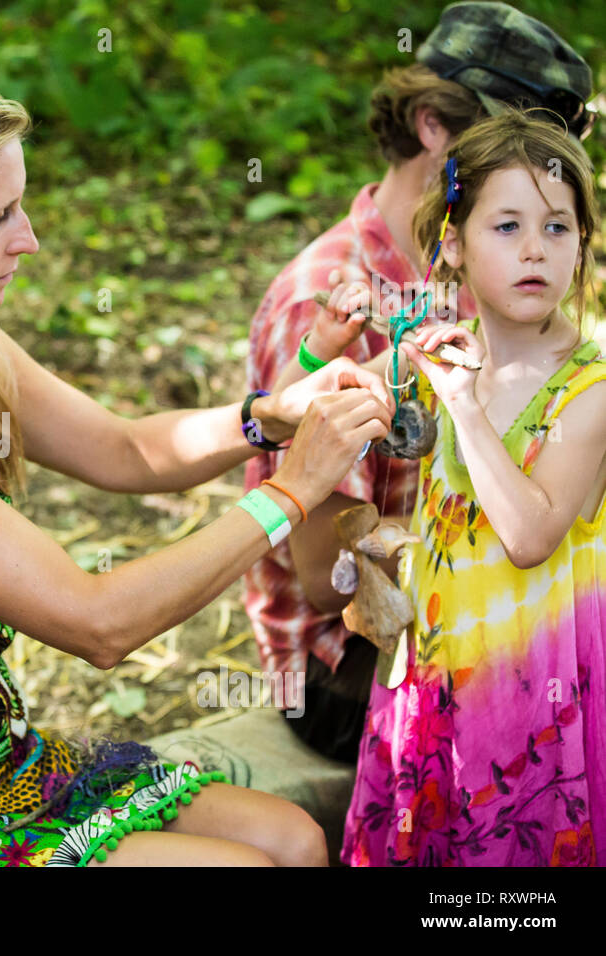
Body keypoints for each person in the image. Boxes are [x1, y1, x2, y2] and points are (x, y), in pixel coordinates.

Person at [0, 67, 395, 867]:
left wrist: (267, 413)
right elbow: (97, 624)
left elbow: (127, 450)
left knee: (296, 841)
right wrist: (295, 489)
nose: (29, 239)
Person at [242, 1, 593, 763]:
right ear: (433, 125)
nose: (530, 174)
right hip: (349, 659)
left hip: (486, 596)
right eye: (506, 143)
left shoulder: (507, 278)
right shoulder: (327, 294)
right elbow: (323, 583)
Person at [334, 110, 606, 865]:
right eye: (507, 225)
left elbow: (528, 536)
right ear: (452, 246)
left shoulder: (588, 387)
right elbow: (446, 512)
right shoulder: (453, 360)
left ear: (583, 242)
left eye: (558, 229)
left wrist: (462, 402)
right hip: (438, 674)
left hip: (545, 698)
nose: (534, 250)